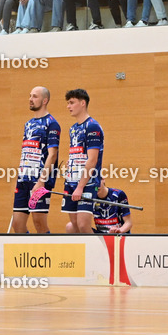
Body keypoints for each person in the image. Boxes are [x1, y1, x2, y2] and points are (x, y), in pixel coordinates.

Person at [12, 86, 61, 234]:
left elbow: (52, 154)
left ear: (44, 100)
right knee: (17, 225)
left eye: (34, 96)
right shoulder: (28, 124)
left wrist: (41, 181)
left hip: (39, 181)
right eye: (30, 96)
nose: (30, 99)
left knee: (39, 223)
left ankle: (48, 254)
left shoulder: (52, 124)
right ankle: (27, 254)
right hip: (23, 180)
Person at [62, 89, 105, 234]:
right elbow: (80, 152)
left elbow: (92, 159)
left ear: (82, 103)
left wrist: (80, 187)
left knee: (83, 225)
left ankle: (99, 256)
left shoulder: (92, 126)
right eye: (68, 103)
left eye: (72, 102)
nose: (69, 106)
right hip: (71, 180)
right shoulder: (73, 128)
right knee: (74, 225)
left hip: (87, 183)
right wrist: (71, 162)